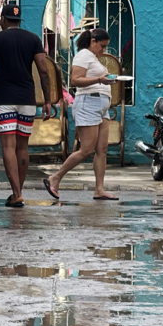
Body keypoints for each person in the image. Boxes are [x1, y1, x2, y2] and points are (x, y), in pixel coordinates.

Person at [0, 3, 56, 208]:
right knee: (23, 146)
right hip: (27, 99)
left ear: (2, 19)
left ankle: (16, 194)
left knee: (8, 146)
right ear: (19, 20)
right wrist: (48, 101)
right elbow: (44, 71)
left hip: (5, 99)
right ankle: (18, 192)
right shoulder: (33, 39)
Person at [43, 27, 119, 201]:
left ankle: (99, 189)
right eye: (102, 46)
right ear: (93, 42)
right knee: (86, 150)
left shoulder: (92, 57)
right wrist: (100, 79)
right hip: (88, 104)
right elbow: (75, 80)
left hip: (100, 107)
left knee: (102, 149)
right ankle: (55, 178)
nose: (104, 51)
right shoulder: (83, 55)